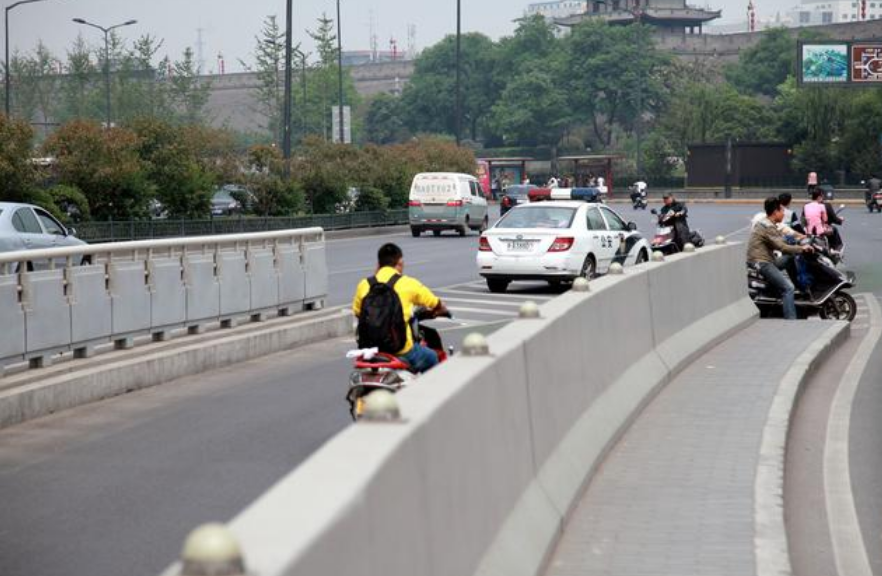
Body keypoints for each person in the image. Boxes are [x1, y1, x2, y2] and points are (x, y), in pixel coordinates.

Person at [352, 243, 448, 373]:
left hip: (371, 351)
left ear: (378, 264)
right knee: (432, 358)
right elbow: (433, 302)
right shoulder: (407, 283)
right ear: (400, 262)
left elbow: (358, 312)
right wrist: (441, 308)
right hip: (401, 350)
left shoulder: (364, 284)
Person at [748, 197, 814, 320]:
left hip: (767, 260)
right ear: (775, 212)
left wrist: (800, 239)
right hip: (762, 263)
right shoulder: (767, 226)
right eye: (782, 211)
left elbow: (783, 236)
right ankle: (791, 321)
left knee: (789, 259)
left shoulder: (768, 222)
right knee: (788, 288)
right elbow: (782, 247)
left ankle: (801, 290)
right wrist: (802, 248)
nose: (784, 213)